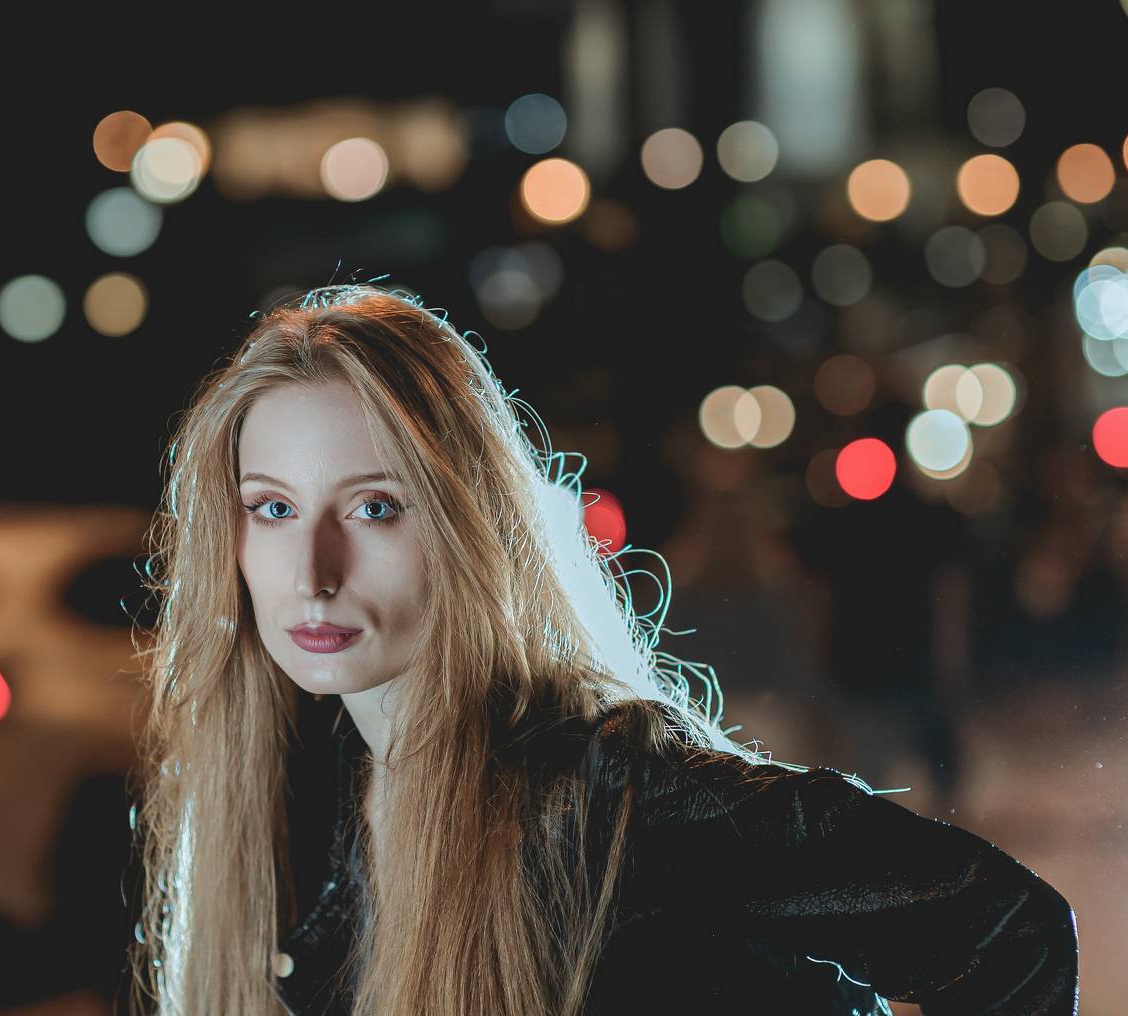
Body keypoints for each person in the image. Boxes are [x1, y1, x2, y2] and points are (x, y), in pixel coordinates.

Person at [116, 283, 1079, 1016]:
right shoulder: (303, 778)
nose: (313, 573)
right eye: (272, 509)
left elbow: (1007, 929)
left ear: (469, 526)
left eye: (375, 508)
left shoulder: (607, 790)